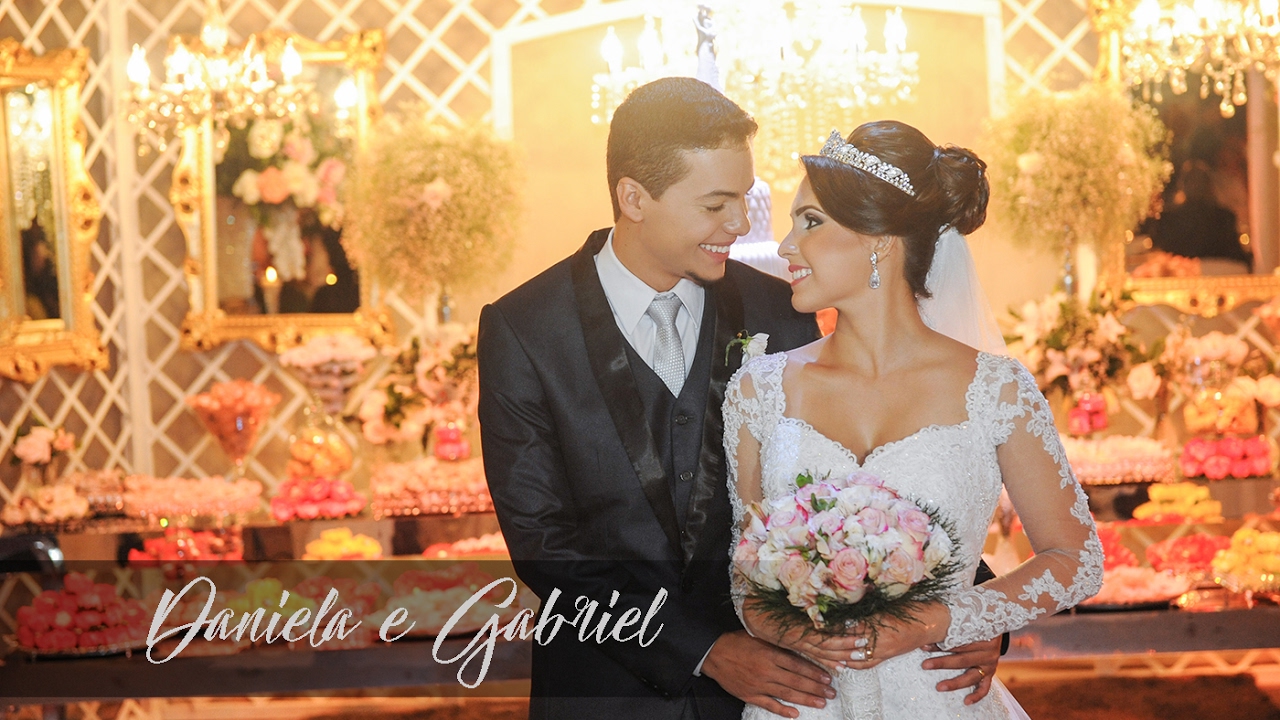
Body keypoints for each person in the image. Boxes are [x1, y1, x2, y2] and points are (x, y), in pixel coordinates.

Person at [479, 80, 1003, 719]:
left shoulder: (778, 308)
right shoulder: (525, 328)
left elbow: (865, 474)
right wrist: (702, 650)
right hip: (604, 690)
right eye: (716, 204)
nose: (741, 224)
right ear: (634, 198)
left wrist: (971, 611)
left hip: (783, 696)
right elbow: (544, 542)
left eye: (745, 198)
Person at [724, 121, 1103, 719]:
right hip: (803, 705)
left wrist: (942, 620)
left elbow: (1075, 559)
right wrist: (792, 631)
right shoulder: (758, 391)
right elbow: (745, 576)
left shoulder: (996, 390)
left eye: (811, 222)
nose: (787, 246)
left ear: (880, 239)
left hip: (938, 698)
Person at [1152, 162, 1251, 273]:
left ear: (1182, 186)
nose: (1195, 186)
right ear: (1209, 187)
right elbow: (1236, 255)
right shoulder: (1224, 217)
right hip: (1218, 274)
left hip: (1181, 275)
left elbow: (1162, 255)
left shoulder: (1169, 219)